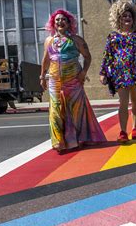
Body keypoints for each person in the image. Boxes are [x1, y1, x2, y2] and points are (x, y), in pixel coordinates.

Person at [40, 9, 105, 153]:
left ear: (69, 23)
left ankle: (78, 139)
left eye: (63, 19)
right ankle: (59, 143)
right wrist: (42, 76)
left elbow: (87, 57)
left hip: (73, 81)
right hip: (54, 81)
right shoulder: (49, 41)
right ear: (53, 23)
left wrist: (83, 73)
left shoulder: (76, 40)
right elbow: (45, 60)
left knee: (76, 111)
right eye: (57, 20)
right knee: (55, 111)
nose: (60, 22)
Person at [100, 0, 136, 143]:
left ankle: (135, 128)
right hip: (120, 74)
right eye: (124, 16)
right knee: (123, 102)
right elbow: (108, 55)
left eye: (129, 15)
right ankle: (123, 131)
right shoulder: (112, 36)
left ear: (134, 18)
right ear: (119, 18)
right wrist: (103, 72)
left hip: (135, 72)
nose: (127, 18)